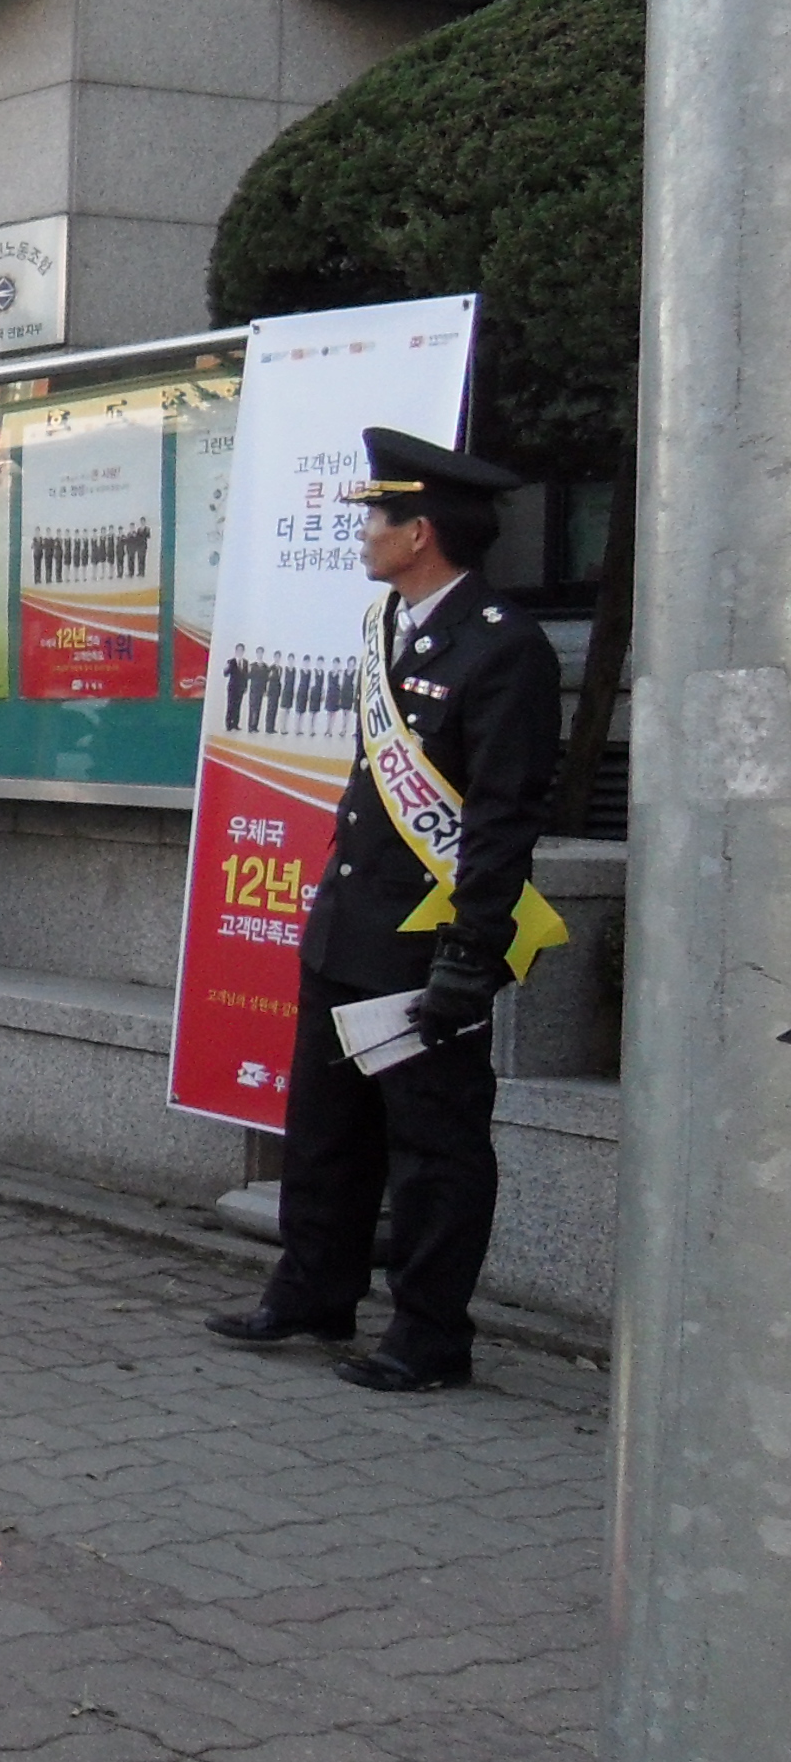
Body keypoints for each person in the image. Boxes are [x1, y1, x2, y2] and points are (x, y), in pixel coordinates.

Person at [207, 427, 559, 1391]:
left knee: (434, 1147)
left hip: (425, 941)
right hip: (351, 924)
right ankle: (314, 1290)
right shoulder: (389, 627)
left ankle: (429, 1334)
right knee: (326, 1129)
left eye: (378, 518)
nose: (363, 533)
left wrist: (470, 953)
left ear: (422, 533)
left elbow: (502, 816)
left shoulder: (503, 647)